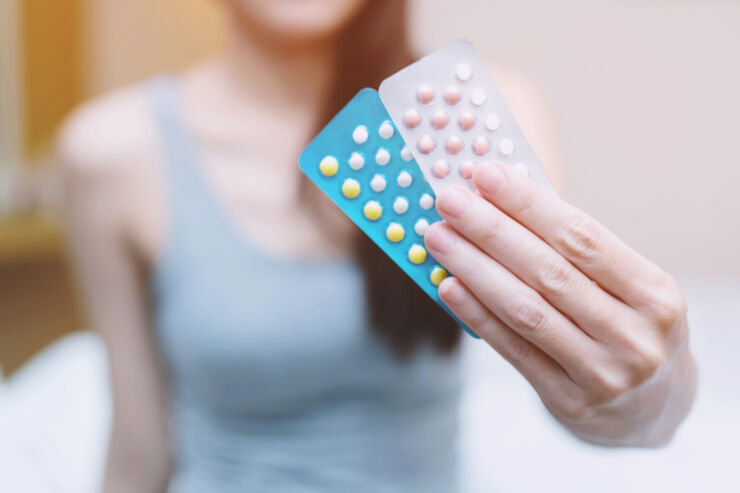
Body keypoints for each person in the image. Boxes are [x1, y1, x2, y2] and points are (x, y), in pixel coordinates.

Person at [58, 0, 697, 491]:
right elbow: (138, 451)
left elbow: (587, 388)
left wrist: (648, 400)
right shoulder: (111, 154)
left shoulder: (479, 114)